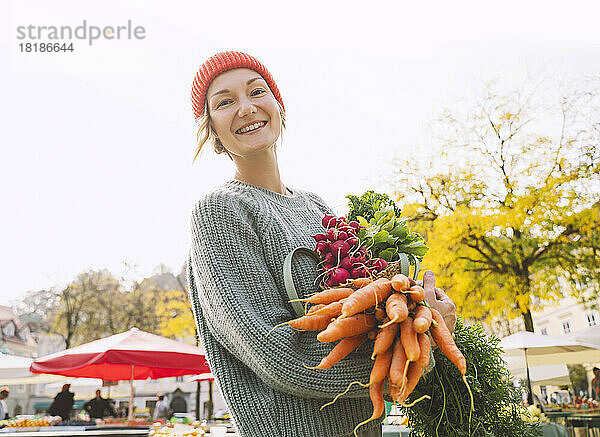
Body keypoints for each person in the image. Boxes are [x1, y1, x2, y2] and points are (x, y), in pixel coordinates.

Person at [187, 51, 458, 437]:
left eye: (257, 91)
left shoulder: (316, 206)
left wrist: (416, 314)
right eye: (225, 101)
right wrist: (419, 344)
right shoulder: (220, 210)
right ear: (212, 129)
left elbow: (365, 317)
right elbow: (278, 355)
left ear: (278, 106)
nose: (246, 108)